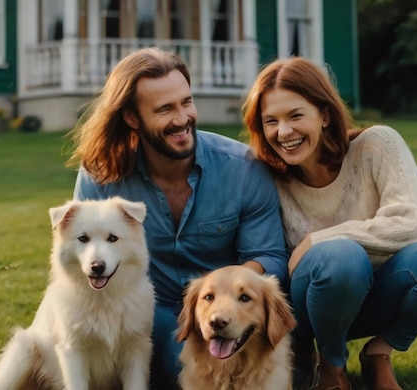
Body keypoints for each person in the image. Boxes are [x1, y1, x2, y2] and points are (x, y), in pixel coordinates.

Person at [242, 56, 417, 390]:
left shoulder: (378, 145)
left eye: (295, 115)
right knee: (341, 259)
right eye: (270, 121)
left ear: (323, 114)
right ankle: (330, 364)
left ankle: (379, 352)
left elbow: (415, 224)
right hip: (306, 307)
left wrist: (316, 240)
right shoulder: (264, 176)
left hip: (375, 293)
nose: (284, 131)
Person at [66, 47, 289, 389]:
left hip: (222, 313)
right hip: (143, 312)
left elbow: (270, 257)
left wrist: (221, 295)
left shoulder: (243, 169)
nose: (182, 118)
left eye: (186, 102)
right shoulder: (101, 177)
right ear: (131, 118)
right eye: (165, 109)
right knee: (177, 365)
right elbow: (83, 258)